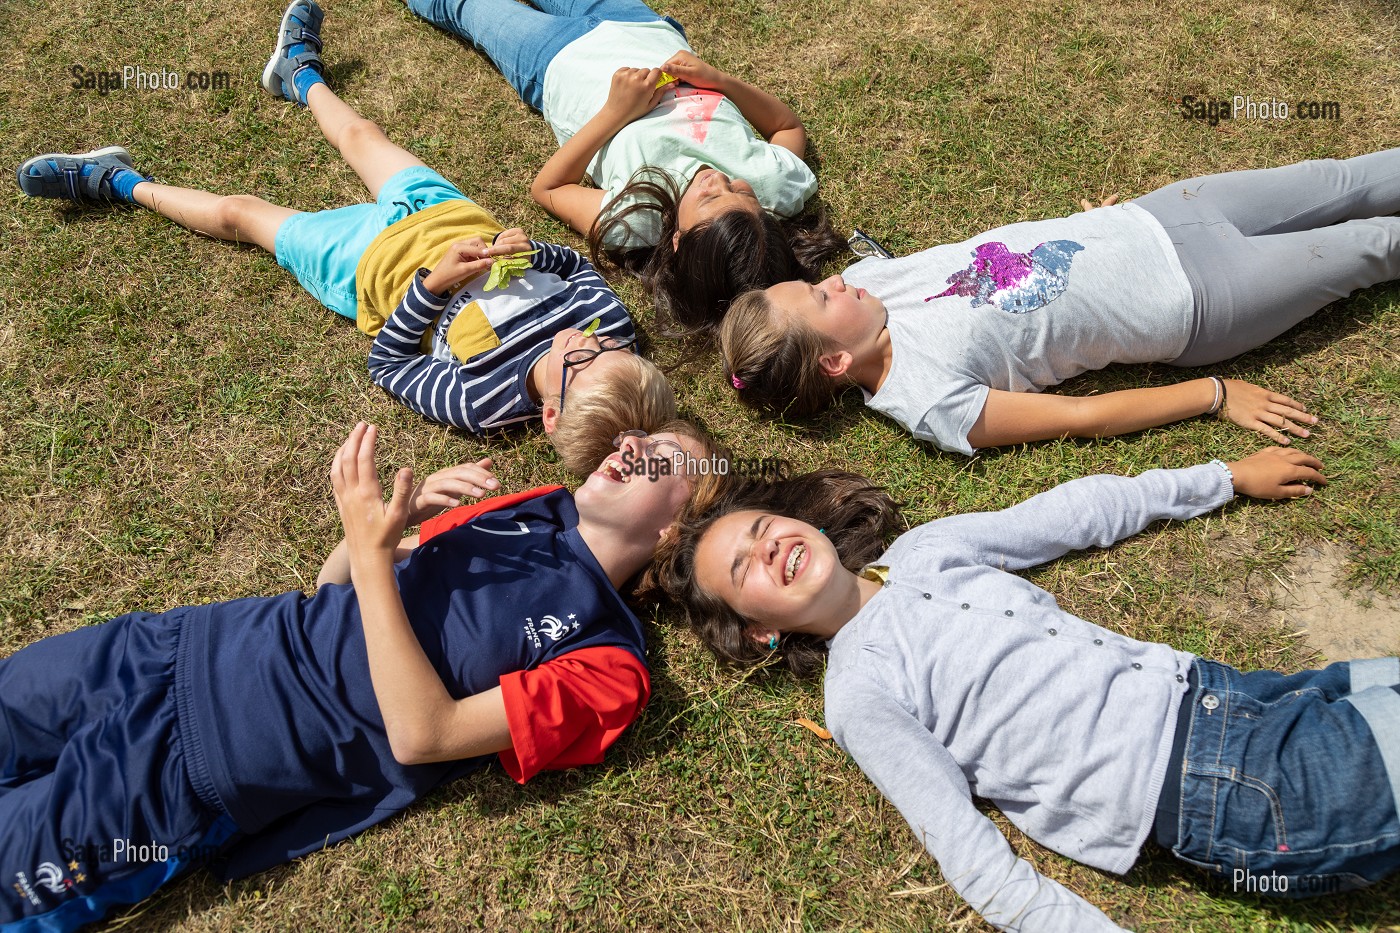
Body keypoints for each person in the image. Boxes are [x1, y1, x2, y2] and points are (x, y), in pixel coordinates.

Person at [0, 419, 719, 931]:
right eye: (639, 437)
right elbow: (335, 588)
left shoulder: (610, 665)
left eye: (662, 459)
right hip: (179, 644)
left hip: (204, 770)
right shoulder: (534, 511)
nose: (632, 445)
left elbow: (423, 735)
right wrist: (379, 532)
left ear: (673, 532)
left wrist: (375, 556)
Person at [655, 447, 1400, 931]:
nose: (769, 546)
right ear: (759, 631)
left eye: (760, 526)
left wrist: (1222, 478)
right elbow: (965, 846)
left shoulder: (927, 550)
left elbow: (1068, 514)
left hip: (1221, 692)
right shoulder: (859, 691)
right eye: (744, 567)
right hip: (1209, 793)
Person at [14, 0, 674, 475]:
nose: (589, 340)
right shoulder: (606, 325)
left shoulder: (485, 399)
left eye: (583, 361)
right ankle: (299, 74)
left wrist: (433, 285)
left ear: (551, 416)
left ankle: (113, 180)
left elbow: (390, 365)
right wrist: (527, 251)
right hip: (449, 215)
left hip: (368, 263)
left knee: (245, 213)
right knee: (363, 136)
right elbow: (577, 272)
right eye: (612, 345)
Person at [720, 149, 1400, 455]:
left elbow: (1002, 255)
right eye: (819, 295)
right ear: (836, 360)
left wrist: (1087, 231)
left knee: (1342, 180)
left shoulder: (877, 287)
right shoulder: (927, 397)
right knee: (1373, 245)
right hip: (1205, 299)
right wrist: (1215, 395)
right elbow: (1085, 416)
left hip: (1159, 214)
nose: (835, 279)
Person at [402, 0, 845, 334]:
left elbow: (549, 189)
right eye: (741, 191)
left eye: (710, 197)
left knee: (468, 6)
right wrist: (720, 81)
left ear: (675, 240)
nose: (719, 180)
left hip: (556, 63)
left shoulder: (637, 220)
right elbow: (786, 126)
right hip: (639, 24)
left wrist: (616, 111)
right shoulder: (776, 190)